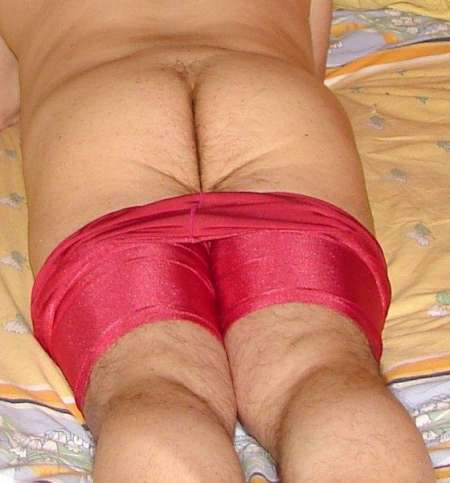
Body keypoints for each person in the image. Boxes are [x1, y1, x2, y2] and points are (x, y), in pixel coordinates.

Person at [0, 1, 435, 481]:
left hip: (103, 115)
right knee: (318, 365)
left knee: (154, 383)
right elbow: (307, 54)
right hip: (269, 102)